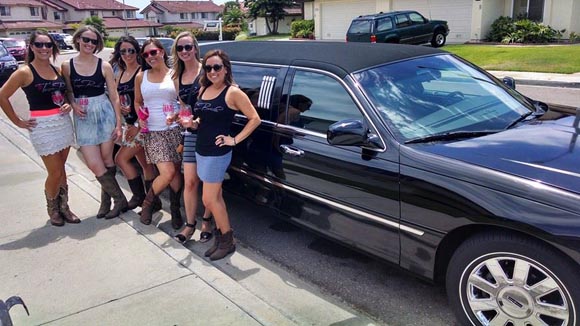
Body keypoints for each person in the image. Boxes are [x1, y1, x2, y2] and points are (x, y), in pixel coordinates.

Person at [0, 30, 80, 226]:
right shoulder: (24, 72)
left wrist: (69, 104)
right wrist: (17, 121)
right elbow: (2, 95)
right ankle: (53, 209)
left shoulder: (56, 70)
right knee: (54, 172)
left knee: (61, 170)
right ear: (32, 47)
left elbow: (65, 94)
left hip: (62, 123)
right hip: (42, 126)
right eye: (39, 45)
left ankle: (65, 208)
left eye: (48, 45)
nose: (44, 48)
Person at [193, 49, 261, 260]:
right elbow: (201, 119)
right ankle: (221, 238)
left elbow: (254, 118)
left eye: (217, 67)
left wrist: (234, 139)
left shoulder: (232, 92)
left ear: (225, 69)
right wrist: (192, 123)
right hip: (201, 149)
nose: (212, 71)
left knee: (208, 199)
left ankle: (228, 241)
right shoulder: (203, 89)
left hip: (218, 152)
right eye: (208, 67)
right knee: (216, 197)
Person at [61, 26, 128, 219]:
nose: (89, 44)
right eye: (86, 39)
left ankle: (107, 201)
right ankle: (119, 198)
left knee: (107, 160)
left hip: (104, 113)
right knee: (94, 163)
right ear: (78, 40)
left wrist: (117, 124)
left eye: (93, 41)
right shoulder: (67, 66)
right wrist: (73, 104)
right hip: (83, 117)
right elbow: (68, 91)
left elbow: (114, 97)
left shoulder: (104, 66)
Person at [136, 38, 183, 229]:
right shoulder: (142, 76)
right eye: (146, 54)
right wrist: (140, 117)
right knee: (168, 172)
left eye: (153, 52)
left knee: (176, 173)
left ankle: (175, 210)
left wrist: (178, 114)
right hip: (153, 131)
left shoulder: (175, 75)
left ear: (162, 52)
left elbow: (184, 103)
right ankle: (148, 204)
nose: (150, 57)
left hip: (175, 130)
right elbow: (138, 101)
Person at [171, 31, 213, 244]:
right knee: (190, 182)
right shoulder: (176, 76)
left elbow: (218, 100)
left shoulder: (208, 70)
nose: (185, 51)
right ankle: (190, 224)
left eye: (188, 47)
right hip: (189, 133)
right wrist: (178, 116)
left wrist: (199, 120)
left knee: (208, 181)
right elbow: (184, 106)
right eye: (180, 48)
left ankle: (206, 220)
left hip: (208, 132)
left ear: (195, 48)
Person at [109, 36, 158, 213]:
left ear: (137, 52)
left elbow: (146, 102)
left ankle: (139, 197)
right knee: (145, 165)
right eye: (123, 51)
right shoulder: (120, 73)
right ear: (119, 53)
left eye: (131, 50)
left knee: (120, 159)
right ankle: (154, 200)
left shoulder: (141, 73)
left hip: (142, 126)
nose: (127, 54)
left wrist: (137, 124)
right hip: (129, 123)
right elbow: (117, 98)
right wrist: (122, 111)